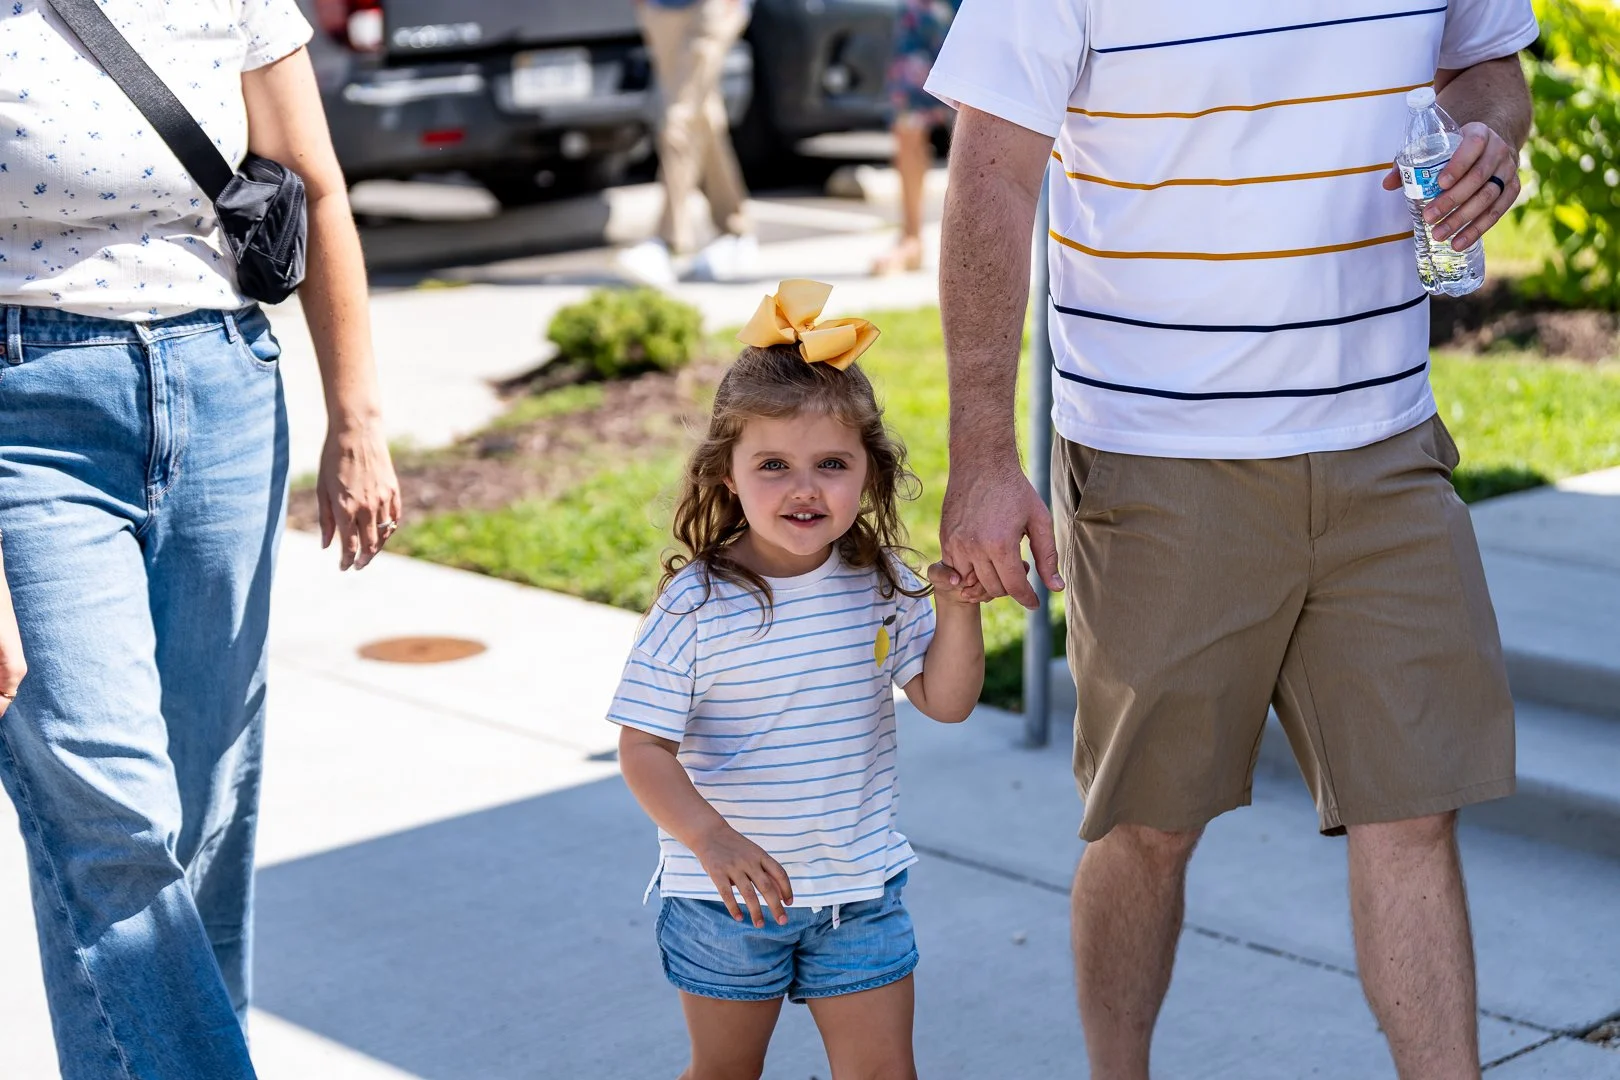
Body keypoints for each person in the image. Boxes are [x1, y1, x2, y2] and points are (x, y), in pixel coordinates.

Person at [924, 0, 1536, 1076]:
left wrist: (1488, 139)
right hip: (1157, 461)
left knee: (1414, 814)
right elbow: (992, 175)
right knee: (1149, 828)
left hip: (1384, 441)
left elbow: (1484, 66)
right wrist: (982, 451)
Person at [0, 2, 400, 1077]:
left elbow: (314, 186)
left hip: (223, 390)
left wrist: (356, 419)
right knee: (113, 816)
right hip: (26, 417)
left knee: (207, 812)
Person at [608, 280, 983, 1079]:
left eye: (831, 464)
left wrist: (957, 612)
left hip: (858, 892)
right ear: (726, 476)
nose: (804, 487)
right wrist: (710, 839)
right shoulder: (698, 602)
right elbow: (642, 745)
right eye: (773, 464)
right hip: (727, 901)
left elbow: (946, 703)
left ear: (868, 477)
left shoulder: (880, 580)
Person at [617, 0, 761, 287]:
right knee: (703, 116)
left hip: (712, 7)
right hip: (661, 9)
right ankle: (735, 229)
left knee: (679, 119)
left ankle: (667, 242)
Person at [870, 0, 960, 277]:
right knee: (907, 122)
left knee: (979, 120)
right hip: (921, 9)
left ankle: (970, 238)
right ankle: (911, 239)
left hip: (977, 9)